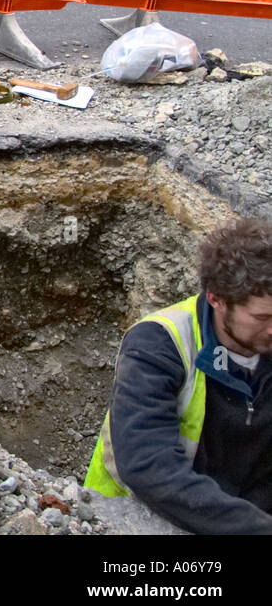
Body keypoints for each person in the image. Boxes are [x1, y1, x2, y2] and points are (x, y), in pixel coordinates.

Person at [85, 218, 272, 534]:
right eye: (262, 317)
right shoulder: (159, 344)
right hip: (136, 523)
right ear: (216, 299)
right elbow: (148, 465)